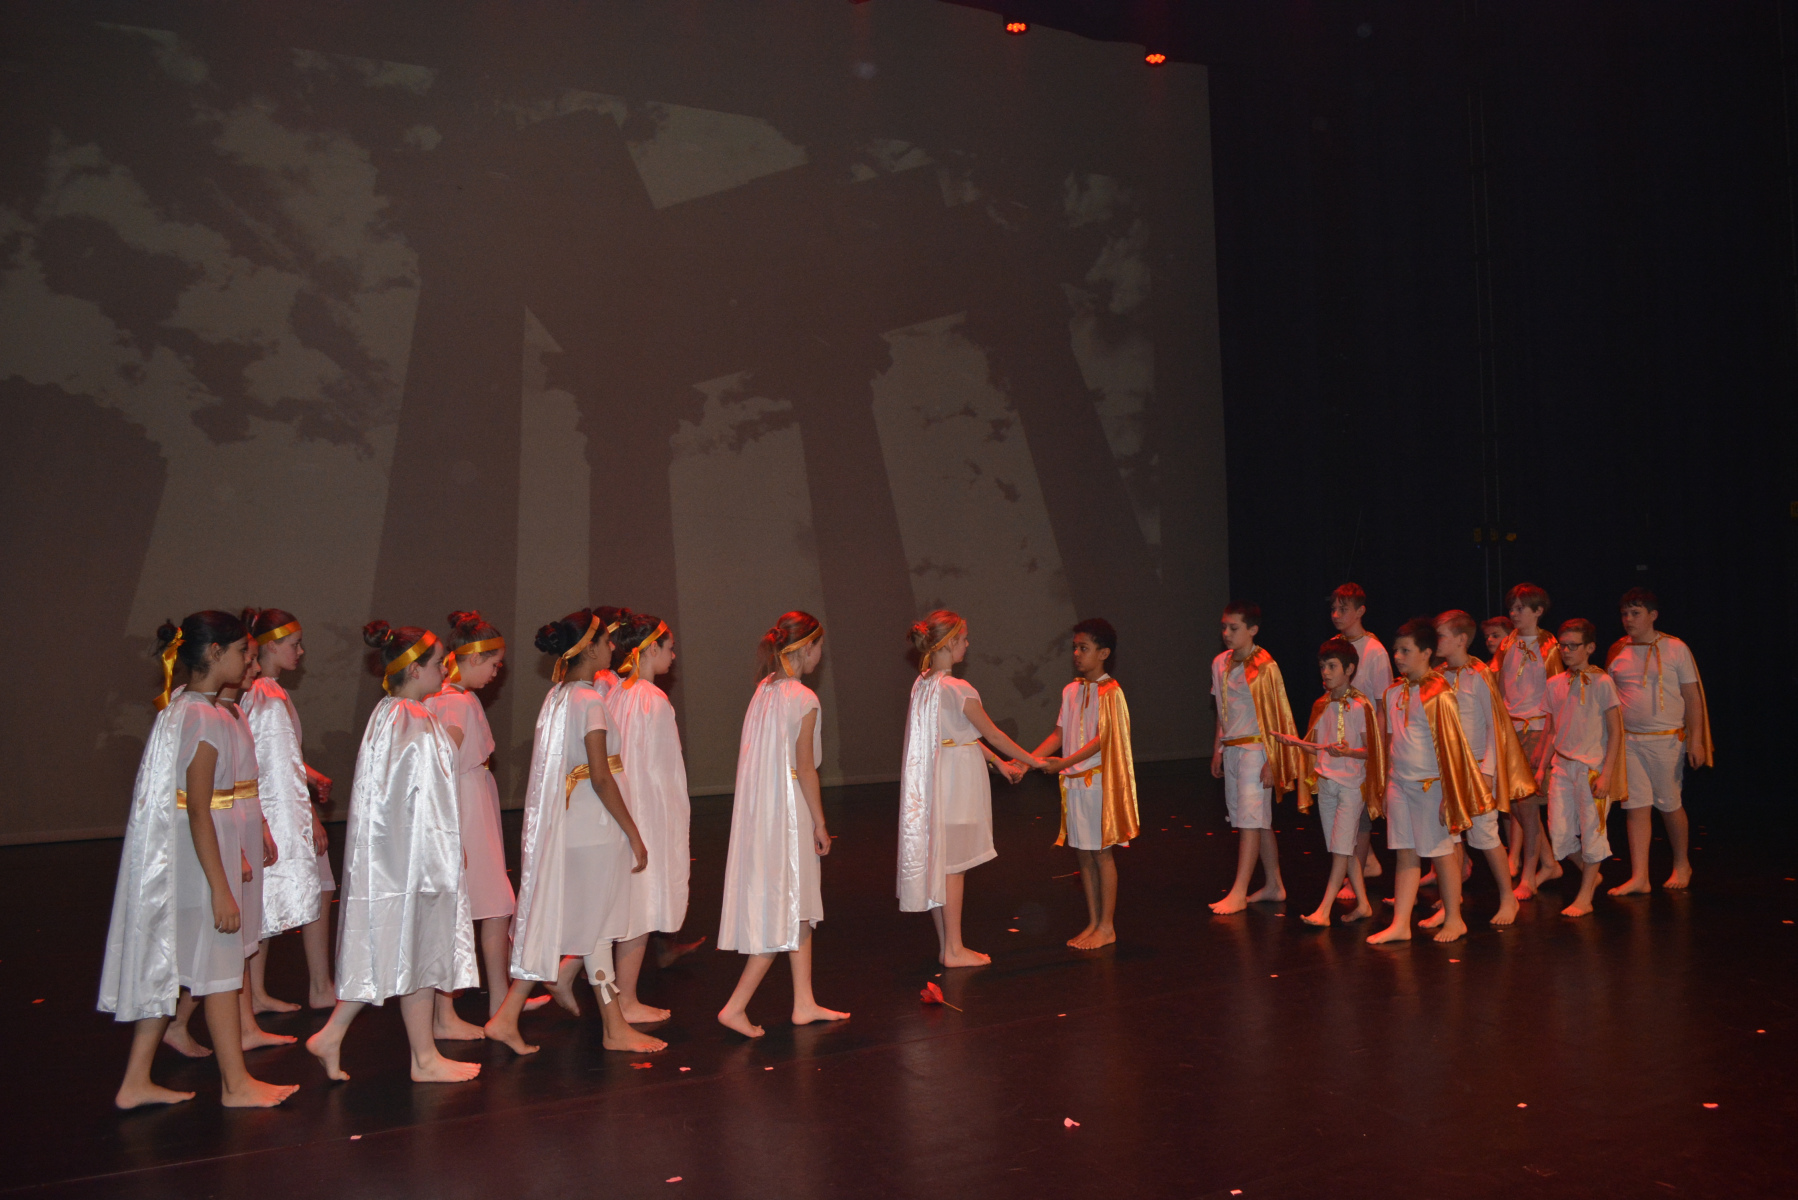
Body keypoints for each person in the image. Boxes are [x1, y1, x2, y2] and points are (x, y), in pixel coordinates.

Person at [99, 612, 298, 1109]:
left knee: (182, 967)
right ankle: (235, 1085)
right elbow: (199, 810)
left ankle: (134, 1081)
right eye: (242, 652)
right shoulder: (203, 717)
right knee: (221, 976)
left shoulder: (186, 708)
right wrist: (221, 888)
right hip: (201, 863)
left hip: (196, 859)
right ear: (215, 653)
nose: (248, 661)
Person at [304, 622, 480, 1084]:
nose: (445, 669)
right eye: (439, 662)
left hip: (396, 856)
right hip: (415, 859)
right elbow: (427, 799)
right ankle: (419, 1057)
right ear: (415, 669)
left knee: (406, 949)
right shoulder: (415, 720)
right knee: (418, 946)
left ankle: (379, 1045)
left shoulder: (389, 713)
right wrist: (448, 851)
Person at [484, 610, 663, 1056]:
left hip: (574, 826)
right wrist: (633, 832)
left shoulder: (559, 697)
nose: (612, 646)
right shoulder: (590, 702)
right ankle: (613, 1029)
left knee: (583, 927)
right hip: (595, 827)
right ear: (590, 648)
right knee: (596, 931)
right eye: (605, 639)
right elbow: (601, 776)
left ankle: (509, 1017)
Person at [716, 612, 851, 1037]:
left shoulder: (764, 690)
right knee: (787, 910)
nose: (821, 655)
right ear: (806, 648)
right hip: (789, 812)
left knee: (800, 908)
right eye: (819, 647)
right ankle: (736, 1006)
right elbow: (806, 768)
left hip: (765, 810)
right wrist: (820, 823)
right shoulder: (803, 698)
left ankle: (804, 1002)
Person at [898, 610, 1043, 966]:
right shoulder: (957, 688)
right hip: (956, 784)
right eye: (963, 639)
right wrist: (1036, 761)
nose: (968, 644)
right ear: (949, 643)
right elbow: (993, 733)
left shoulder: (924, 683)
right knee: (953, 867)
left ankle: (947, 946)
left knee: (943, 863)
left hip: (939, 779)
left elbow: (962, 734)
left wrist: (999, 763)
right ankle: (954, 949)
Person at [1366, 619, 1490, 945]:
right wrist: (1385, 784)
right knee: (1405, 852)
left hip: (1430, 786)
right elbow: (1391, 742)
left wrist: (1450, 793)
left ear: (1426, 653)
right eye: (1396, 650)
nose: (1398, 656)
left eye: (1406, 651)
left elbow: (1451, 747)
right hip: (1400, 784)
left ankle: (1455, 918)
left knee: (1442, 852)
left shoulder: (1439, 693)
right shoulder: (1393, 692)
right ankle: (1400, 923)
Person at [424, 611, 517, 1029]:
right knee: (490, 905)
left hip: (471, 801)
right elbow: (439, 767)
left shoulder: (455, 697)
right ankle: (484, 1003)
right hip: (462, 808)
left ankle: (500, 998)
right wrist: (450, 832)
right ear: (473, 658)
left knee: (490, 905)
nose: (497, 673)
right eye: (494, 664)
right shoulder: (455, 703)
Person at [239, 609, 335, 1012]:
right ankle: (316, 986)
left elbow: (279, 755)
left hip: (281, 805)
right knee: (299, 892)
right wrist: (309, 816)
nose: (301, 651)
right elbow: (271, 766)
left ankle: (265, 991)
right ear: (271, 646)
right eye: (294, 644)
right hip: (281, 812)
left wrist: (310, 775)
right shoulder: (265, 695)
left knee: (281, 895)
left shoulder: (267, 692)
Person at [1029, 619, 1140, 950]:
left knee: (1102, 854)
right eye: (1075, 648)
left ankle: (1107, 926)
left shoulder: (1112, 693)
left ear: (1103, 653)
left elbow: (1103, 740)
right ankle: (1093, 921)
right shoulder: (1071, 690)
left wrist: (1063, 763)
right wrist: (1027, 761)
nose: (1077, 654)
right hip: (1075, 785)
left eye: (1084, 648)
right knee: (1083, 856)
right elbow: (1059, 734)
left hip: (1098, 784)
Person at [606, 611, 693, 1024]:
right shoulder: (653, 700)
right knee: (640, 908)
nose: (673, 657)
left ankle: (584, 979)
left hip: (620, 810)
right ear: (651, 648)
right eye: (669, 648)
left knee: (625, 907)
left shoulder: (615, 693)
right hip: (646, 812)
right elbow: (663, 769)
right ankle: (626, 1001)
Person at [1605, 588, 1711, 893]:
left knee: (1669, 804)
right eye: (1624, 614)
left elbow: (1692, 697)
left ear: (1653, 615)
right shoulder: (1617, 649)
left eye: (1635, 613)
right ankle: (1640, 876)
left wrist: (1696, 741)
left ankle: (1682, 863)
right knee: (1636, 807)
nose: (1628, 619)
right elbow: (1608, 697)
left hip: (1666, 740)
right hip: (1629, 741)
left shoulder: (1676, 648)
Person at [1432, 610, 1531, 927]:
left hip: (1476, 769)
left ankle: (1507, 897)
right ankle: (1452, 901)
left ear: (1461, 639)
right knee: (1450, 836)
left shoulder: (1479, 674)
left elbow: (1494, 726)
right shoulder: (1437, 676)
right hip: (1447, 770)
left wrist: (1487, 771)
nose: (1435, 641)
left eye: (1441, 635)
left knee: (1485, 835)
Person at [1280, 637, 1384, 926]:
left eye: (1332, 666)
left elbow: (1372, 751)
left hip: (1351, 786)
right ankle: (1364, 904)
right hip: (1327, 784)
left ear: (1349, 669)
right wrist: (1294, 741)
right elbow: (1317, 747)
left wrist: (1349, 752)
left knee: (1341, 848)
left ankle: (1324, 910)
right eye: (1322, 666)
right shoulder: (1321, 704)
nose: (1325, 672)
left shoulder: (1361, 705)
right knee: (1342, 847)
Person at [1208, 602, 1302, 915]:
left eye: (1234, 628)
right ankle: (1274, 884)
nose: (1226, 633)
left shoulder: (1265, 666)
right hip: (1232, 749)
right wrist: (1218, 749)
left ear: (1252, 630)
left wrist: (1273, 760)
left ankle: (1239, 891)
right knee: (1256, 821)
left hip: (1256, 749)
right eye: (1224, 626)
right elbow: (1222, 710)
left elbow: (1278, 714)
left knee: (1250, 823)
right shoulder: (1219, 663)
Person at [1541, 618, 1628, 917]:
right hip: (1562, 767)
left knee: (1592, 831)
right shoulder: (1554, 683)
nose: (1566, 651)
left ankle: (1585, 895)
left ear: (1590, 648)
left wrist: (1607, 774)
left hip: (1591, 769)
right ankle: (1592, 874)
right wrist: (1542, 768)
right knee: (1560, 834)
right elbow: (1551, 730)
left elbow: (1616, 731)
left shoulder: (1602, 683)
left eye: (1573, 646)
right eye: (1562, 646)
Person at [1495, 583, 1563, 899]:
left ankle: (1529, 876)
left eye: (1521, 608)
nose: (1514, 613)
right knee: (1517, 806)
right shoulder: (1507, 644)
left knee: (1528, 805)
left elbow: (1556, 696)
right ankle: (1549, 863)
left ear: (1538, 611)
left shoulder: (1550, 647)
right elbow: (1499, 688)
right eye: (1512, 607)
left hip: (1536, 730)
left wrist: (1547, 742)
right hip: (1511, 731)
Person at [1329, 584, 1391, 891]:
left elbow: (1382, 705)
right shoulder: (1333, 645)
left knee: (1361, 812)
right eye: (1334, 609)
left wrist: (1377, 749)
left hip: (1363, 741)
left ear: (1360, 611)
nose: (1336, 615)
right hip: (1340, 740)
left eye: (1343, 609)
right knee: (1341, 808)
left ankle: (1356, 883)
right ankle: (1367, 863)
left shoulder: (1375, 651)